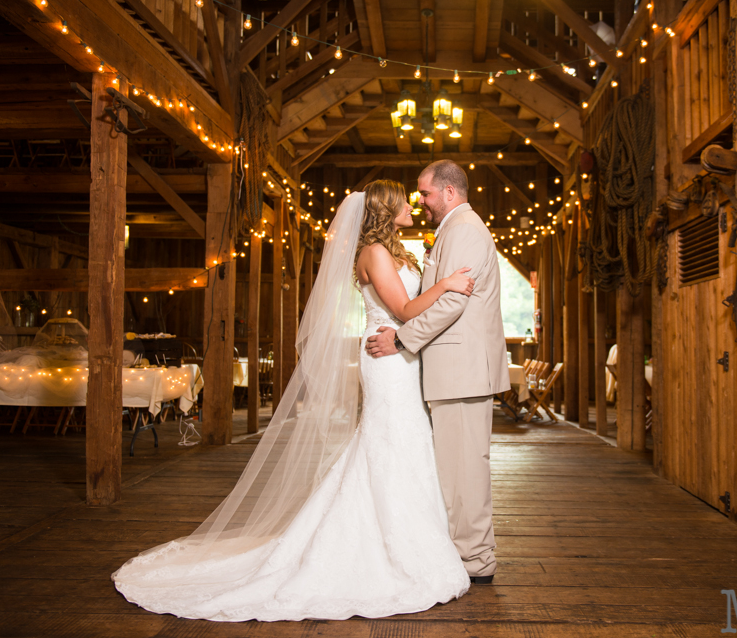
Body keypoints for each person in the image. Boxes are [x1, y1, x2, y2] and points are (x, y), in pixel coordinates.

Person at [112, 180, 477, 621]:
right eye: (404, 199)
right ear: (385, 208)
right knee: (393, 439)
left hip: (402, 357)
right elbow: (402, 310)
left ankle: (410, 537)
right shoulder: (375, 254)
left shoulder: (397, 250)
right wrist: (449, 285)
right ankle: (389, 547)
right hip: (387, 357)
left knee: (405, 441)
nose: (413, 205)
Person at [366, 159, 511, 584]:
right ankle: (464, 552)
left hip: (462, 369)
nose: (421, 202)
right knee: (454, 467)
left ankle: (477, 561)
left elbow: (453, 302)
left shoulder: (464, 229)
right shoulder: (453, 229)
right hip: (452, 370)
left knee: (466, 468)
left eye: (425, 193)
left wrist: (402, 338)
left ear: (449, 192)